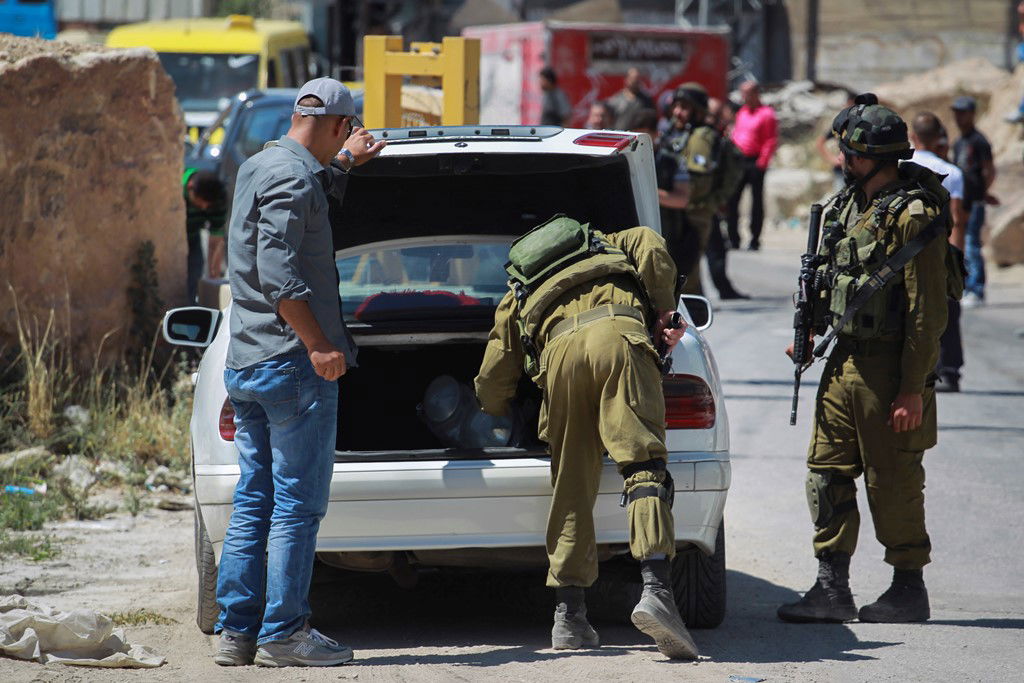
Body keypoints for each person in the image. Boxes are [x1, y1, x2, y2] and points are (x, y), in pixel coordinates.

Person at [214, 77, 384, 668]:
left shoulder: (261, 166)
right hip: (291, 363)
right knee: (296, 505)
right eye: (347, 130)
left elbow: (303, 195)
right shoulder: (293, 178)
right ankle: (284, 634)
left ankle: (237, 634)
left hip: (248, 360)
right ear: (339, 124)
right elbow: (279, 274)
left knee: (254, 499)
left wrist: (345, 164)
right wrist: (318, 345)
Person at [474, 215, 697, 660]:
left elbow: (494, 378)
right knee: (643, 465)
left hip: (560, 359)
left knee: (571, 486)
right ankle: (657, 591)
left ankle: (569, 616)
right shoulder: (613, 242)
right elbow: (652, 245)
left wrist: (496, 411)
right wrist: (662, 313)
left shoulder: (520, 290)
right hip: (620, 338)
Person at [778, 96, 951, 625]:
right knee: (826, 472)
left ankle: (907, 588)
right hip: (844, 360)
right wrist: (809, 331)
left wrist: (912, 389)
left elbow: (926, 312)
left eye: (849, 154)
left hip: (889, 369)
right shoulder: (849, 206)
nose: (842, 161)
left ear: (875, 158)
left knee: (892, 479)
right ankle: (832, 588)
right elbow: (828, 277)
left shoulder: (915, 216)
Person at [661, 83, 742, 295]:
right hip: (675, 211)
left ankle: (695, 309)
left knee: (686, 273)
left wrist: (671, 194)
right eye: (676, 106)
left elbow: (697, 182)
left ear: (697, 110)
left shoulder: (701, 137)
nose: (677, 112)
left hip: (694, 213)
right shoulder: (675, 132)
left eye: (684, 107)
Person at [911, 112, 967, 393]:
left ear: (913, 136)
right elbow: (957, 219)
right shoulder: (952, 172)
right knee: (948, 308)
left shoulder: (900, 166)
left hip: (906, 250)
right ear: (938, 139)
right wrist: (956, 259)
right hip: (941, 248)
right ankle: (950, 370)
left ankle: (916, 368)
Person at [951, 96, 997, 307]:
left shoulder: (979, 141)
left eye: (962, 112)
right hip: (962, 200)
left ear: (972, 114)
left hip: (975, 201)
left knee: (971, 242)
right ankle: (967, 285)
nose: (958, 117)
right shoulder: (959, 141)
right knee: (962, 242)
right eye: (956, 113)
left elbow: (989, 170)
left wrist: (982, 193)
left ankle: (976, 289)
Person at [704, 98, 749, 300]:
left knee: (717, 249)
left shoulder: (719, 139)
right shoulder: (703, 139)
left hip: (711, 203)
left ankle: (722, 289)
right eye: (712, 116)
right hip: (698, 204)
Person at [726, 81, 777, 251]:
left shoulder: (767, 114)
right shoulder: (741, 112)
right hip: (739, 160)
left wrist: (762, 161)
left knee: (756, 201)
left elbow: (770, 140)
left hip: (755, 161)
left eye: (746, 93)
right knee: (732, 199)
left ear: (755, 94)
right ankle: (733, 238)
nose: (744, 97)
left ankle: (755, 238)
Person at [627, 108, 690, 214]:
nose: (638, 142)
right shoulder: (625, 159)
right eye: (634, 137)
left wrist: (644, 191)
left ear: (656, 134)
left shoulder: (672, 160)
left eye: (643, 137)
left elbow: (682, 200)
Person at [183, 169, 227, 302]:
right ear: (190, 187)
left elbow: (216, 241)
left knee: (195, 274)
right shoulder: (174, 187)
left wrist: (214, 276)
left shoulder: (218, 198)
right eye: (199, 202)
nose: (204, 207)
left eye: (208, 205)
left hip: (193, 239)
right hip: (170, 241)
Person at [816, 93, 856, 193]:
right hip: (841, 172)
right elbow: (820, 142)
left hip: (857, 171)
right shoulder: (841, 125)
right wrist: (832, 159)